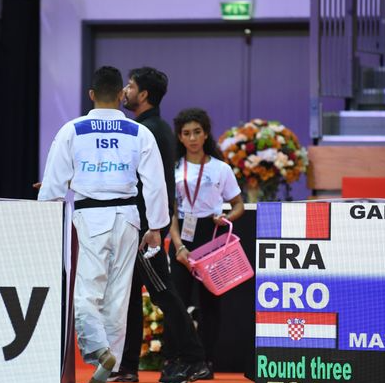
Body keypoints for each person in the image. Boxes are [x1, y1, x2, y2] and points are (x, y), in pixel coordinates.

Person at [37, 66, 170, 383]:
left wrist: (46, 209)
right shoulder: (139, 133)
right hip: (128, 218)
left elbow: (54, 183)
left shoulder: (74, 129)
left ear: (92, 94)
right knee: (119, 294)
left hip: (90, 215)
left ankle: (97, 349)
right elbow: (155, 184)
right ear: (120, 95)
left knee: (87, 289)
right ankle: (108, 367)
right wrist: (156, 226)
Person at [109, 67, 209, 383]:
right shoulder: (147, 128)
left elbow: (155, 185)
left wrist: (152, 227)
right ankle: (128, 367)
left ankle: (195, 361)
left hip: (145, 227)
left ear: (144, 95)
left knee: (163, 293)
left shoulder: (149, 131)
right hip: (140, 223)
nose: (124, 91)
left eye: (130, 86)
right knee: (132, 296)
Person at [169, 107, 245, 378]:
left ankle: (206, 361)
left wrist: (225, 217)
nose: (192, 138)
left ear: (206, 134)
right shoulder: (173, 168)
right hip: (181, 235)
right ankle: (179, 358)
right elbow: (169, 212)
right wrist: (178, 246)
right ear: (179, 136)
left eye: (197, 132)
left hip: (212, 235)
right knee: (175, 301)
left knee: (211, 303)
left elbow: (238, 205)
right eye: (186, 133)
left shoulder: (220, 168)